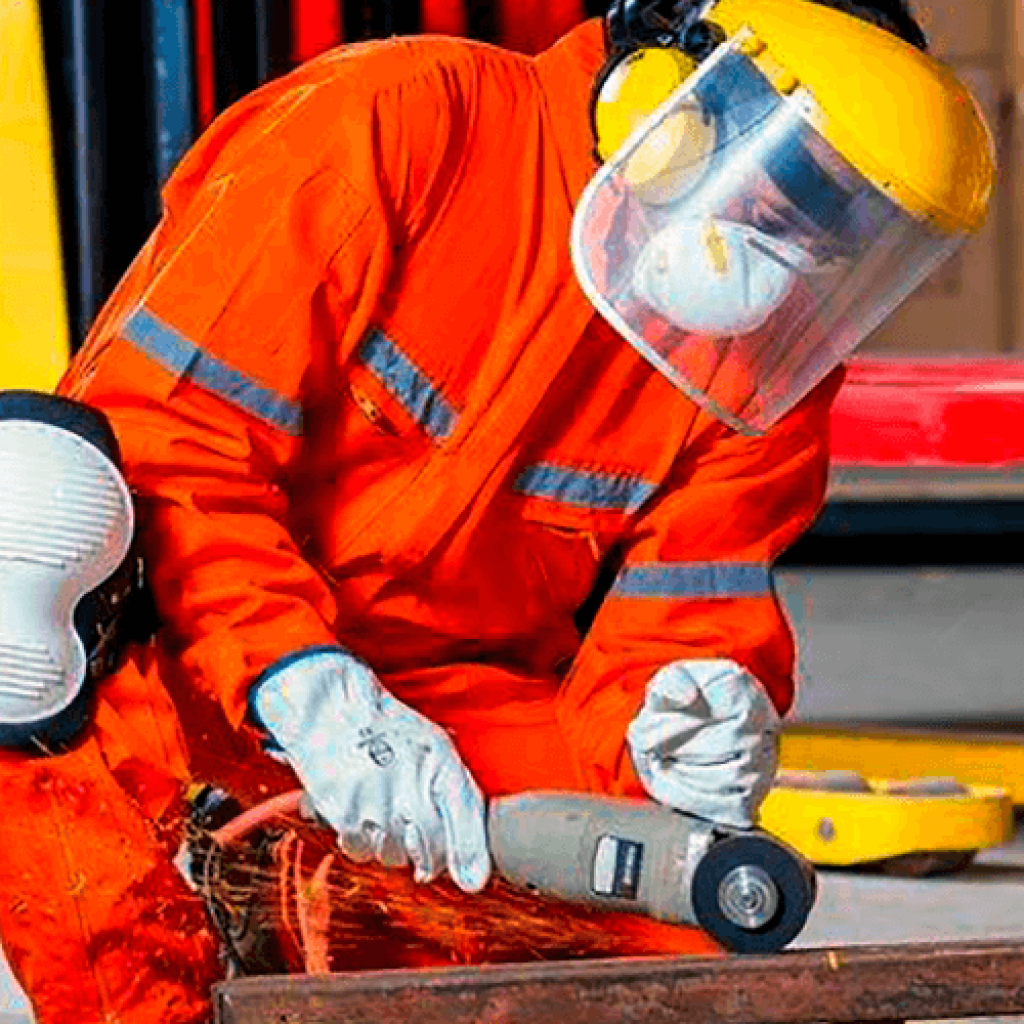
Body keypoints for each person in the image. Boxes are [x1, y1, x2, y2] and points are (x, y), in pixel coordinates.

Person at [0, 0, 993, 1020]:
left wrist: (688, 707)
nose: (797, 254)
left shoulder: (761, 357)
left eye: (841, 231)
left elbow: (691, 597)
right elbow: (168, 447)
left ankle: (302, 915)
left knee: (675, 911)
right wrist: (304, 685)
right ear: (673, 100)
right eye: (792, 193)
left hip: (443, 707)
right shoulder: (387, 126)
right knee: (27, 609)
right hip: (182, 657)